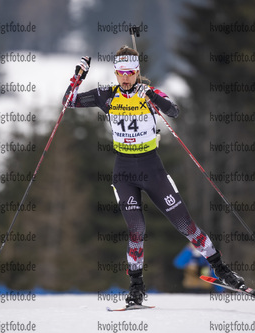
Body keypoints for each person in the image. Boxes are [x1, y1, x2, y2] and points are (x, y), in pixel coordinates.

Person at [63, 46, 244, 306]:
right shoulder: (107, 96)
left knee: (186, 225)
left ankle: (222, 270)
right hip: (123, 171)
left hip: (152, 169)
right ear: (116, 73)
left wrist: (151, 97)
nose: (126, 78)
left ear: (137, 72)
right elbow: (69, 101)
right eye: (121, 73)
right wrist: (78, 77)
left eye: (130, 73)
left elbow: (174, 110)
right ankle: (136, 288)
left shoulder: (149, 93)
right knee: (136, 230)